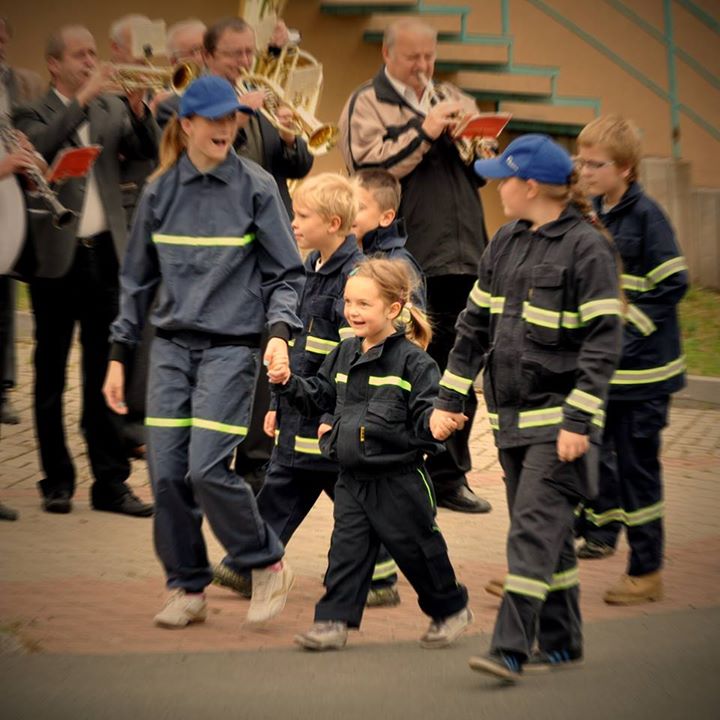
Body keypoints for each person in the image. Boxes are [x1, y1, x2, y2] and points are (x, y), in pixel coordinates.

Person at [103, 75, 305, 628]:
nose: (224, 127)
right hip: (168, 350)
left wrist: (280, 335)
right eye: (212, 118)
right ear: (185, 125)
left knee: (206, 470)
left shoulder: (258, 188)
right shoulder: (158, 192)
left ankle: (265, 562)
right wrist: (119, 356)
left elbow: (286, 275)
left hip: (230, 350)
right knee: (166, 473)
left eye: (231, 117)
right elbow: (136, 281)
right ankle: (186, 587)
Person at [431, 135, 622, 682]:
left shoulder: (587, 249)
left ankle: (509, 647)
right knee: (550, 536)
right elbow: (470, 329)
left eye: (503, 177)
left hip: (560, 426)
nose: (495, 185)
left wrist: (579, 419)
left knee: (531, 534)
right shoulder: (505, 242)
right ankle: (561, 644)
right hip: (511, 424)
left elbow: (604, 342)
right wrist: (449, 399)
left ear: (531, 185)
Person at [213, 173, 401, 608]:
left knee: (353, 497)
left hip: (332, 419)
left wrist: (332, 416)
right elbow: (297, 352)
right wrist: (279, 404)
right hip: (301, 409)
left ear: (334, 223)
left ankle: (379, 575)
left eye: (302, 216)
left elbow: (353, 359)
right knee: (282, 486)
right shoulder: (307, 271)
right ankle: (250, 564)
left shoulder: (353, 281)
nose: (292, 224)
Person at [270, 257, 472, 651]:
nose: (352, 311)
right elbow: (320, 397)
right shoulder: (345, 352)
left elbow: (425, 414)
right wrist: (287, 383)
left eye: (364, 304)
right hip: (351, 477)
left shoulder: (415, 362)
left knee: (418, 551)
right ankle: (332, 622)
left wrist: (435, 424)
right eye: (349, 302)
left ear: (393, 309)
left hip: (399, 481)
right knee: (345, 550)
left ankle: (450, 609)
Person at [339, 18, 490, 514]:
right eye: (413, 57)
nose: (424, 67)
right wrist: (424, 130)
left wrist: (477, 141)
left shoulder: (452, 94)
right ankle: (410, 468)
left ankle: (451, 475)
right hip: (411, 255)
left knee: (462, 366)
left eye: (429, 56)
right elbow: (368, 167)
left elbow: (483, 172)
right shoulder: (366, 100)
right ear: (388, 54)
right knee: (417, 365)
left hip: (466, 249)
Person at [14, 25, 159, 517]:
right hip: (55, 258)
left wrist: (139, 109)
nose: (89, 62)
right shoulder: (32, 110)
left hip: (106, 255)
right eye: (80, 55)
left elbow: (148, 151)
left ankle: (109, 483)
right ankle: (56, 479)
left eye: (93, 54)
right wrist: (83, 97)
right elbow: (38, 147)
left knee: (105, 372)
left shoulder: (110, 108)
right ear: (55, 64)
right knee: (51, 372)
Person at [575, 115, 688, 603]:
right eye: (581, 161)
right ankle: (596, 536)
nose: (585, 171)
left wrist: (626, 330)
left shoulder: (647, 217)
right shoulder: (594, 211)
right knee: (600, 459)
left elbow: (673, 283)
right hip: (610, 374)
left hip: (645, 375)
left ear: (625, 169)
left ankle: (646, 571)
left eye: (595, 164)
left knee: (639, 469)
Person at [0, 16, 45, 425]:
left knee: (3, 303)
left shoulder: (8, 84)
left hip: (6, 218)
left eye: (3, 32)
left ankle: (3, 388)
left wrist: (22, 154)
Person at [351, 168, 426, 310]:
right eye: (347, 205)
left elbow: (411, 325)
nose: (349, 212)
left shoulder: (399, 264)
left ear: (386, 218)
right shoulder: (343, 256)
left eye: (359, 207)